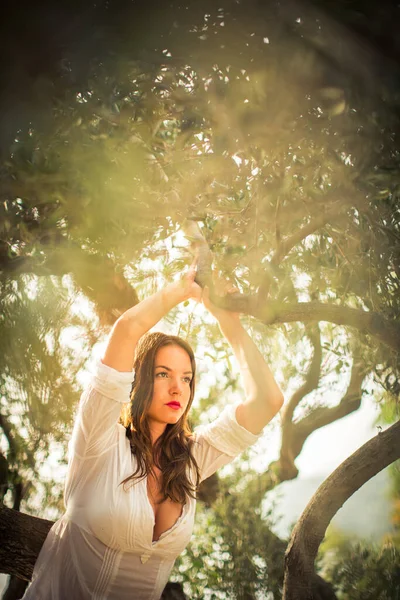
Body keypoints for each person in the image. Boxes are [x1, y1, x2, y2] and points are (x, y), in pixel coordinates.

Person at [23, 263, 284, 600]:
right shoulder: (99, 442)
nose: (178, 388)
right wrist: (182, 290)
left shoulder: (190, 461)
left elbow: (268, 400)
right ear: (140, 379)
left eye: (187, 378)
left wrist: (228, 320)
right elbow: (127, 329)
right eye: (163, 374)